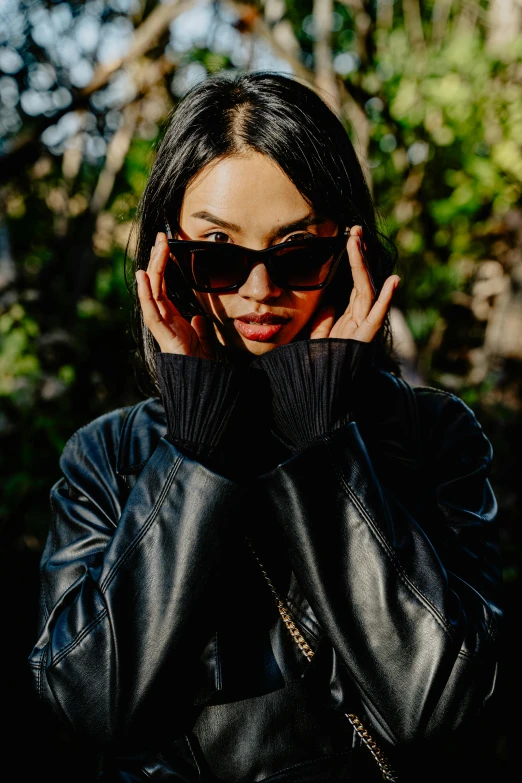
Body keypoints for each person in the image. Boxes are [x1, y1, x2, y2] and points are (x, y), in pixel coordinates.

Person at [28, 72, 501, 783]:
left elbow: (434, 701)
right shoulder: (109, 457)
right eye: (217, 253)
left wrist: (327, 442)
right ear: (169, 259)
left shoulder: (431, 433)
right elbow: (96, 705)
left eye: (298, 253)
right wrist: (193, 451)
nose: (259, 292)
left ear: (350, 252)